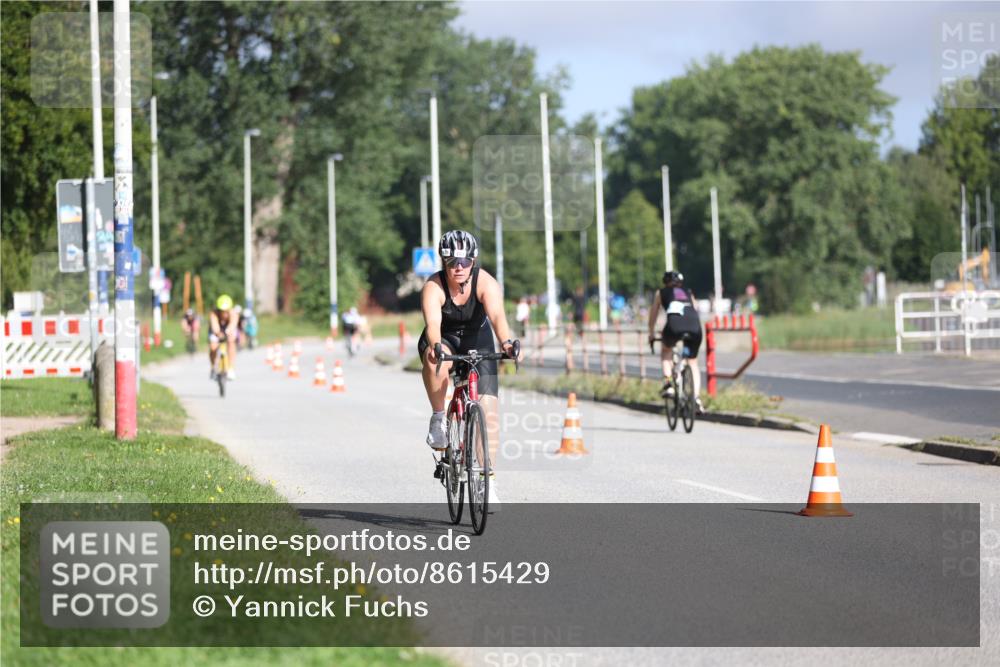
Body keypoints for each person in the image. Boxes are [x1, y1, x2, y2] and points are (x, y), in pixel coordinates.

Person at [419, 230, 519, 510]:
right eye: (452, 263)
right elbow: (433, 325)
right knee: (434, 358)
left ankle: (488, 482)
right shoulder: (433, 286)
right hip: (445, 338)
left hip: (479, 338)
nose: (458, 268)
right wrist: (437, 346)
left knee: (489, 413)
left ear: (473, 261)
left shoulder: (484, 282)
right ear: (444, 263)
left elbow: (498, 315)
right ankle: (439, 417)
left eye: (464, 262)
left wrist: (507, 343)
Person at [648, 271, 703, 412]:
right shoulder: (688, 292)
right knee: (692, 361)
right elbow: (695, 310)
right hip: (695, 327)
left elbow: (653, 314)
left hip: (674, 327)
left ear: (665, 282)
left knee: (666, 351)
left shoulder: (661, 293)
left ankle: (669, 385)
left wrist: (651, 333)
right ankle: (696, 398)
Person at [209, 294, 239, 380]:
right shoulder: (214, 314)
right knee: (213, 347)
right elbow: (214, 326)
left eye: (226, 311)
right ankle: (213, 367)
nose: (224, 313)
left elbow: (233, 325)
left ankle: (230, 368)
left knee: (231, 341)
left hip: (228, 329)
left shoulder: (233, 313)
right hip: (217, 329)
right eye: (222, 311)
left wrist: (228, 332)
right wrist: (218, 333)